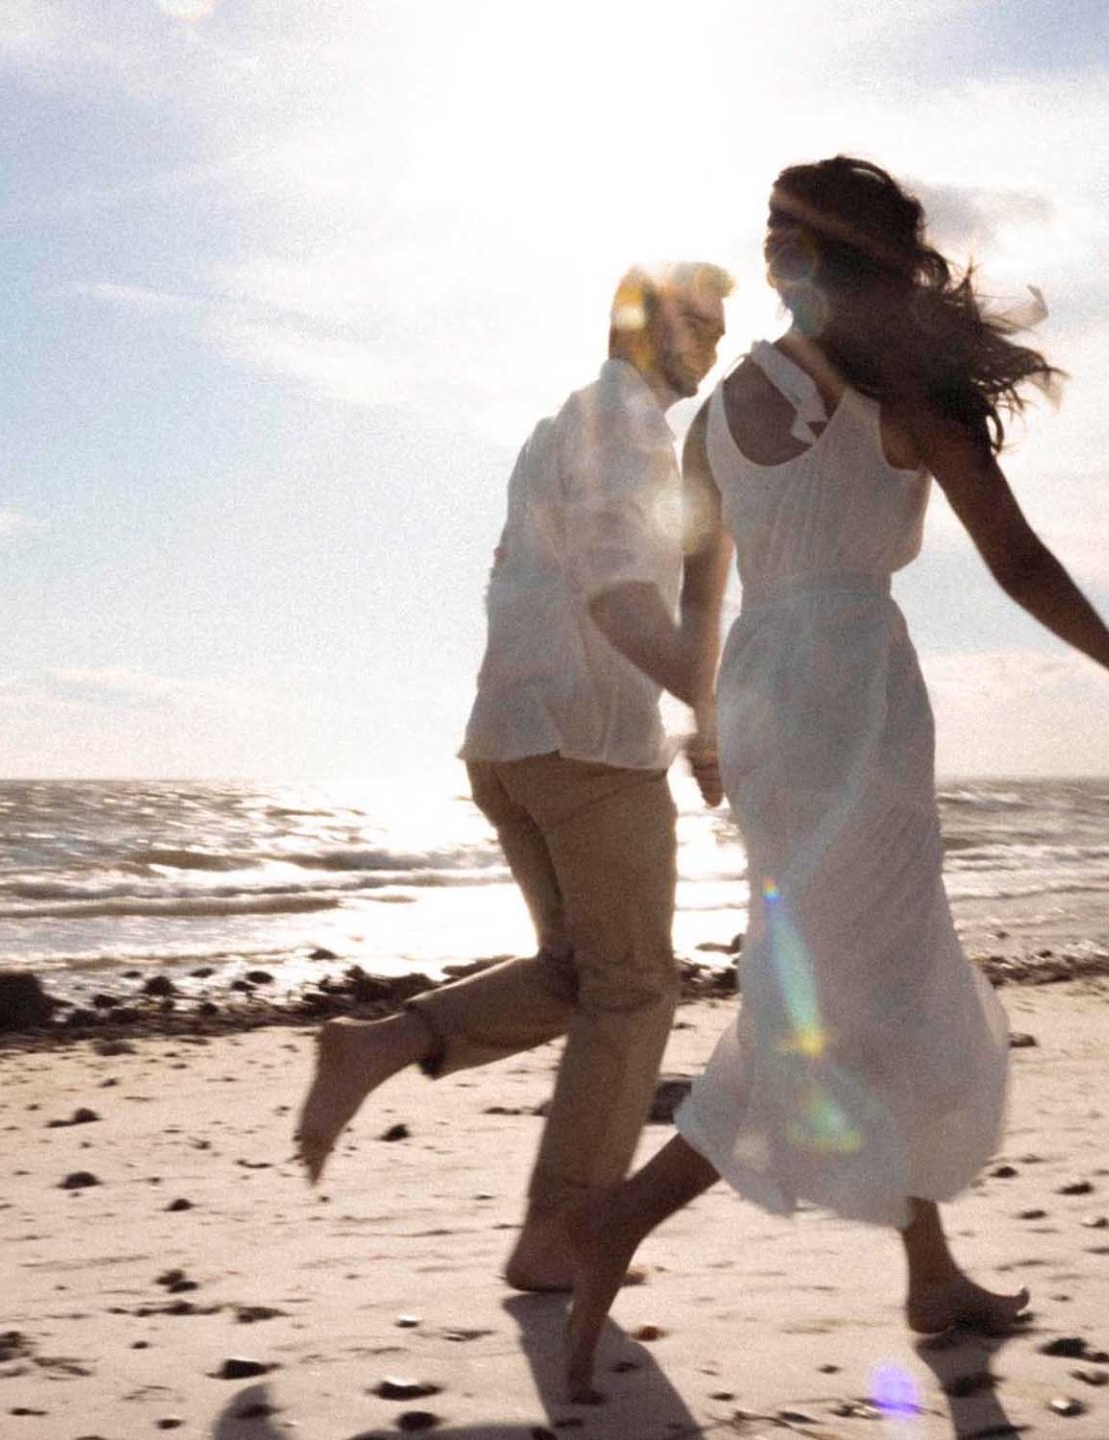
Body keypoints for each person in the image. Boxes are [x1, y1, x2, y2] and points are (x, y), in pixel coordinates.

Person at [560, 157, 1109, 1400]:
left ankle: (929, 1273)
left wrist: (704, 726)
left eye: (779, 237)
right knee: (851, 988)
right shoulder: (902, 391)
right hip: (848, 688)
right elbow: (1011, 556)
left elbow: (706, 594)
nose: (771, 254)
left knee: (867, 970)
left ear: (805, 257)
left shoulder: (724, 412)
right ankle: (618, 1219)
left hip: (764, 693)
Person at [294, 261, 734, 1293]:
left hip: (509, 740)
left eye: (720, 326)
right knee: (634, 990)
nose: (713, 344)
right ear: (642, 324)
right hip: (587, 745)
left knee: (585, 975)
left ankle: (377, 1046)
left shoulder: (562, 428)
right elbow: (620, 595)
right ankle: (559, 1233)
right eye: (697, 323)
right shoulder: (625, 433)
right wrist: (710, 710)